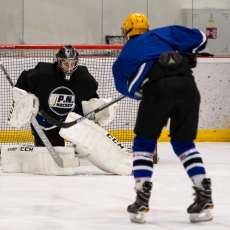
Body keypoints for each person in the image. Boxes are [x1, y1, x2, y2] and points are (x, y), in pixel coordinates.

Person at [112, 13, 214, 223]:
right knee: (184, 143)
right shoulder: (167, 33)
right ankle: (203, 193)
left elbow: (129, 89)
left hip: (157, 89)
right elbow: (201, 37)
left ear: (126, 32)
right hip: (188, 86)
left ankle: (141, 198)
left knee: (143, 144)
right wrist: (187, 52)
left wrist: (149, 91)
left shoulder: (125, 54)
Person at [14, 45, 100, 146]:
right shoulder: (43, 74)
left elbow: (91, 100)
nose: (69, 67)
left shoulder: (83, 78)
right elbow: (24, 80)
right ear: (59, 62)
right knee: (48, 154)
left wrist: (96, 113)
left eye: (73, 63)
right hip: (45, 123)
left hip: (70, 122)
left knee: (81, 149)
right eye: (66, 63)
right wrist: (22, 98)